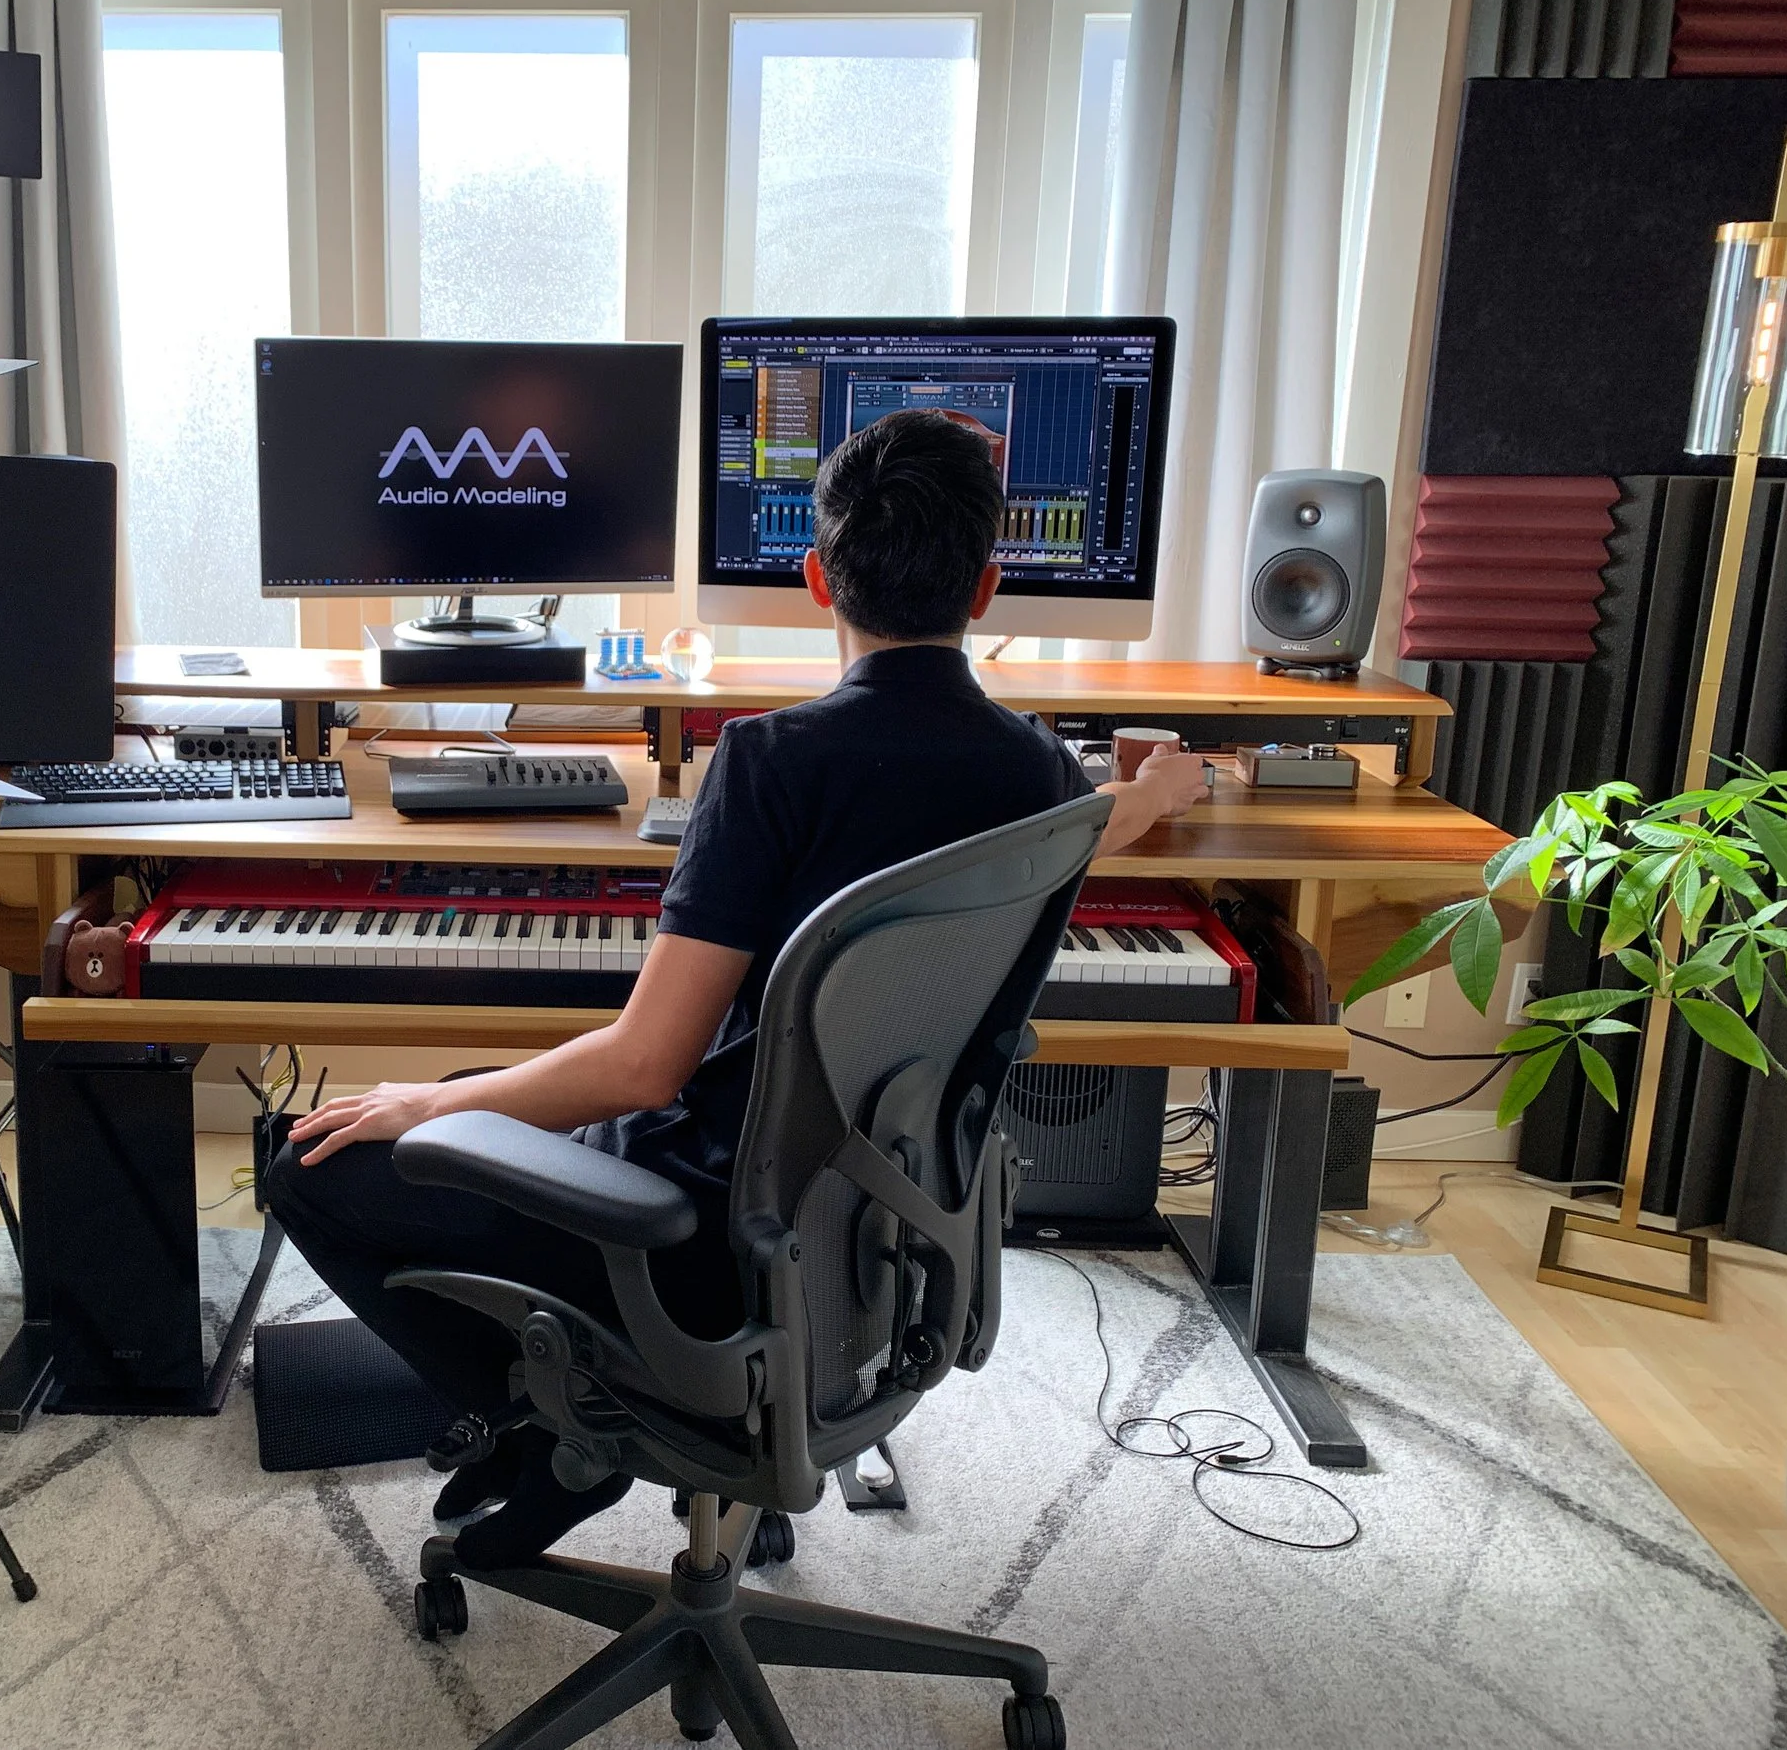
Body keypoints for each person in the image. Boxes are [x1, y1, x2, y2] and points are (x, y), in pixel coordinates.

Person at [263, 407, 1209, 1568]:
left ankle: (566, 1429)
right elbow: (1095, 822)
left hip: (695, 1248)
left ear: (815, 579)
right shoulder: (1041, 778)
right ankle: (630, 1434)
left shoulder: (773, 761)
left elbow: (640, 1067)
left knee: (311, 1159)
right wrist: (1160, 792)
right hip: (875, 1243)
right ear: (986, 586)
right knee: (474, 1098)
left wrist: (422, 1102)